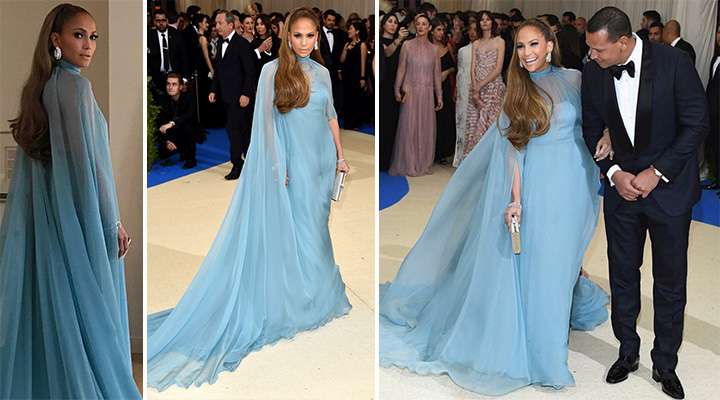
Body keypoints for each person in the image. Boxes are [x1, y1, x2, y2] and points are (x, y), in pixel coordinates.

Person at [380, 18, 612, 396]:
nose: (527, 54)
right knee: (536, 263)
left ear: (550, 45)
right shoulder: (516, 90)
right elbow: (512, 150)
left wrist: (607, 134)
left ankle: (552, 323)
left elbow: (598, 118)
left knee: (560, 262)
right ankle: (546, 357)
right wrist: (515, 199)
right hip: (536, 187)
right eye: (520, 47)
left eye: (534, 45)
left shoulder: (575, 80)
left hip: (573, 185)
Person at [147, 7, 352, 391]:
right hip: (290, 165)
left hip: (320, 163)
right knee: (295, 231)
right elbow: (268, 125)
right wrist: (278, 166)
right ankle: (295, 297)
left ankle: (314, 292)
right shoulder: (272, 71)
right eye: (298, 36)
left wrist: (340, 156)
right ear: (287, 36)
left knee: (316, 227)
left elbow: (331, 116)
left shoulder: (322, 73)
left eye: (311, 36)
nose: (305, 43)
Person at [0, 4, 139, 399]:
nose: (89, 45)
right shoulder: (75, 88)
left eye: (94, 36)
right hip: (83, 220)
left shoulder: (43, 89)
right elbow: (89, 167)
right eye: (79, 35)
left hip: (54, 221)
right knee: (92, 313)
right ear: (55, 40)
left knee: (62, 310)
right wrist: (112, 223)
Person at [582, 7, 709, 399]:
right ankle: (627, 351)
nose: (592, 57)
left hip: (668, 193)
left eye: (599, 50)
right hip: (622, 194)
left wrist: (657, 172)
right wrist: (615, 173)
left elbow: (696, 122)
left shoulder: (675, 62)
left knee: (669, 283)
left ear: (623, 42)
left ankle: (665, 363)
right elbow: (590, 127)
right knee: (622, 275)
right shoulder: (593, 71)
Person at [389, 13, 442, 177]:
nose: (420, 27)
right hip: (410, 91)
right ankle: (409, 162)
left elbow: (437, 75)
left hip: (426, 93)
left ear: (430, 28)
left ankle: (423, 162)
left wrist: (439, 96)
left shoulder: (434, 50)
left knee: (425, 128)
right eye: (418, 24)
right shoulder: (407, 45)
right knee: (409, 128)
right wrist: (397, 88)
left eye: (424, 24)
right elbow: (401, 68)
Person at [453, 10, 505, 166]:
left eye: (487, 19)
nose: (484, 22)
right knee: (473, 125)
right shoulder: (476, 43)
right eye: (481, 20)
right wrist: (475, 90)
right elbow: (473, 68)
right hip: (476, 90)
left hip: (493, 89)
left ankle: (491, 164)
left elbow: (498, 69)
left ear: (492, 22)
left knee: (490, 126)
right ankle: (473, 165)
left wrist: (479, 85)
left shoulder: (499, 41)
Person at [209, 10, 256, 180]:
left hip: (240, 98)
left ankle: (237, 164)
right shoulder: (221, 43)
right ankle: (246, 162)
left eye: (220, 23)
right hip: (226, 97)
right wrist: (214, 89)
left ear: (230, 25)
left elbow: (249, 72)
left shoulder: (242, 44)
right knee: (238, 131)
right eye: (216, 23)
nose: (217, 26)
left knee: (235, 130)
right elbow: (218, 71)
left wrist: (246, 94)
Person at [379, 12, 408, 171]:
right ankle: (381, 159)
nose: (392, 24)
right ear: (383, 24)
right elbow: (387, 53)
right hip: (384, 85)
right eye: (389, 21)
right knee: (384, 122)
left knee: (394, 123)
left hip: (398, 83)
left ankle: (389, 159)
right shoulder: (380, 41)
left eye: (395, 22)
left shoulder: (403, 43)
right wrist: (398, 40)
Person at [157, 73, 198, 169]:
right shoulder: (162, 99)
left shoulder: (189, 98)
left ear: (180, 87)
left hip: (187, 129)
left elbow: (188, 116)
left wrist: (171, 124)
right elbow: (159, 122)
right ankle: (178, 149)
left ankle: (191, 158)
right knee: (162, 154)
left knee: (188, 126)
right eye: (168, 84)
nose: (170, 87)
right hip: (172, 132)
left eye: (174, 84)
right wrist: (167, 141)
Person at [431, 18, 456, 164]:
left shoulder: (447, 47)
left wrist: (446, 72)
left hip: (445, 88)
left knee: (445, 119)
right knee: (431, 120)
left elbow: (454, 66)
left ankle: (442, 152)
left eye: (442, 30)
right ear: (432, 31)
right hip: (430, 88)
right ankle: (431, 152)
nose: (441, 33)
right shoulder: (427, 47)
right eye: (438, 29)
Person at [148, 8, 188, 94]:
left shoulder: (176, 34)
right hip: (157, 78)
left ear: (167, 20)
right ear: (154, 22)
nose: (161, 23)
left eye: (163, 20)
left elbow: (184, 57)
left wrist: (184, 79)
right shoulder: (149, 36)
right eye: (158, 20)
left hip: (175, 75)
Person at [340, 20, 369, 130]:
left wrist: (362, 78)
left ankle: (355, 124)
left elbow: (363, 62)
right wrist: (346, 50)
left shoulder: (362, 45)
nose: (348, 31)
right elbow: (342, 60)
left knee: (355, 100)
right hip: (347, 76)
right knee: (346, 99)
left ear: (357, 31)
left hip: (356, 77)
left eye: (351, 29)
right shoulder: (347, 44)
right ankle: (347, 123)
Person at [703, 25, 720, 193]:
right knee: (713, 147)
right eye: (719, 32)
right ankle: (716, 180)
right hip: (712, 112)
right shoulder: (715, 58)